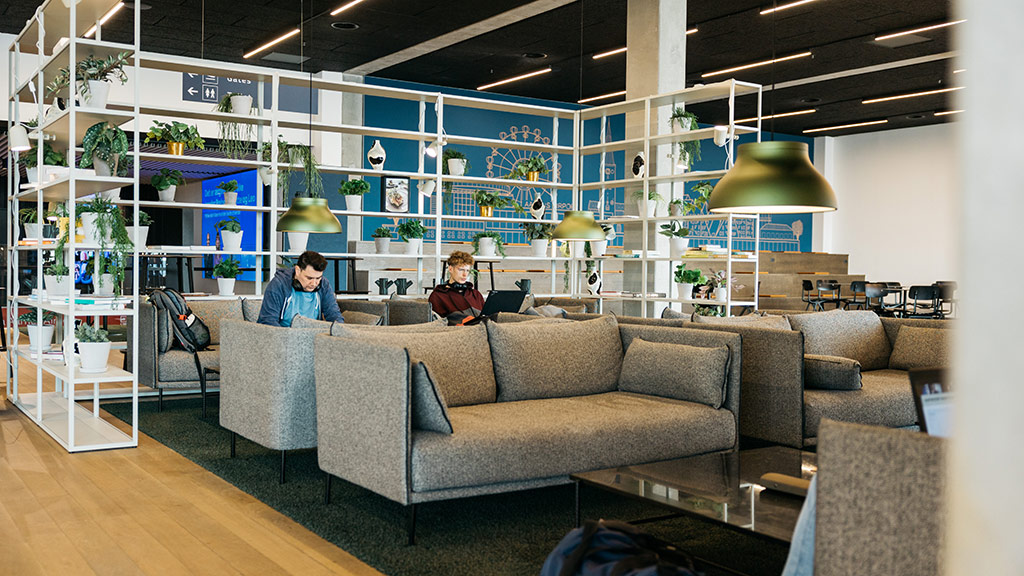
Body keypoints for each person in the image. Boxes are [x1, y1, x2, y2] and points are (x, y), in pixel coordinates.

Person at [258, 250, 343, 327]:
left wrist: (339, 331)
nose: (314, 283)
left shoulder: (324, 284)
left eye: (318, 278)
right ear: (298, 270)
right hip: (283, 337)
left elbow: (334, 315)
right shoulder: (279, 284)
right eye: (309, 278)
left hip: (313, 337)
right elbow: (268, 321)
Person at [428, 251, 484, 324]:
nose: (465, 274)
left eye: (467, 270)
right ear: (450, 269)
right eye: (461, 270)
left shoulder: (476, 294)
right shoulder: (438, 296)